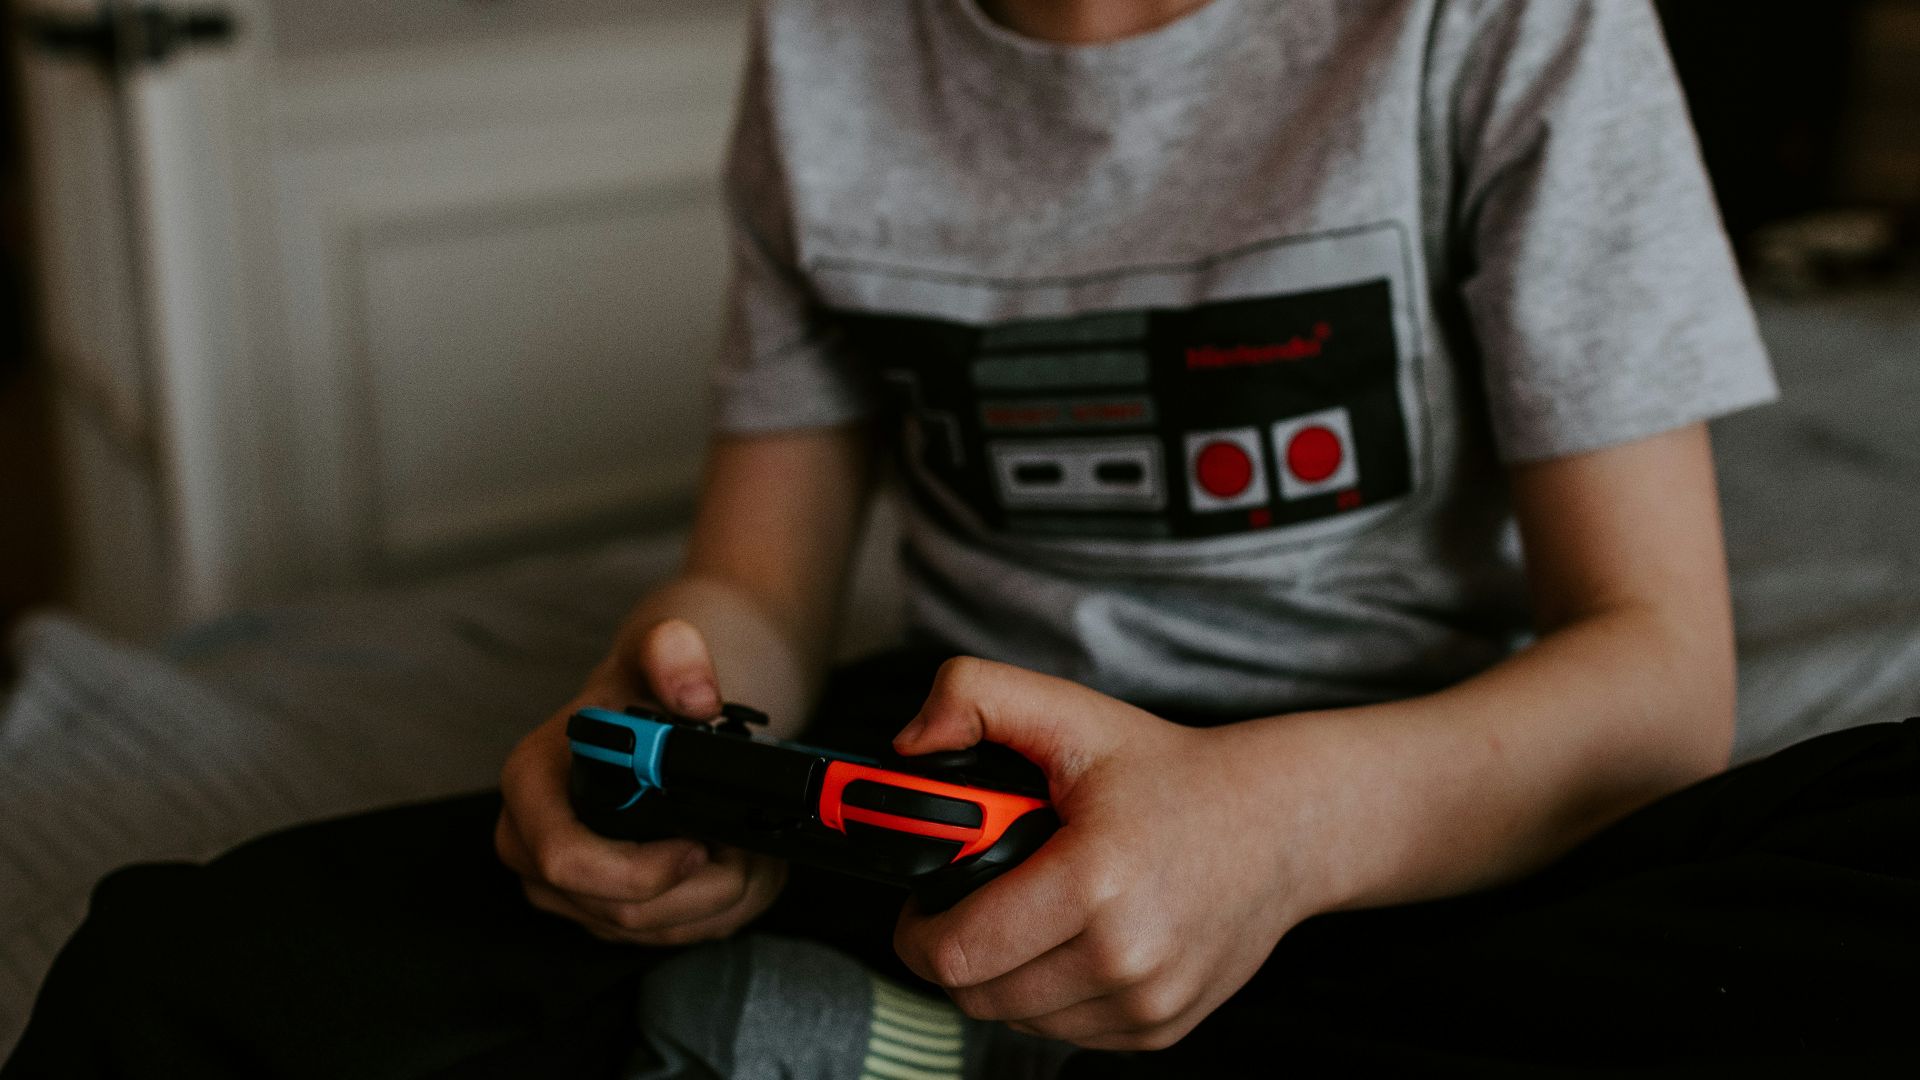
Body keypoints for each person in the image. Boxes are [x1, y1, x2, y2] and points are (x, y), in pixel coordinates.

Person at [12, 1, 1917, 1076]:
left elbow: (1659, 687)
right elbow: (753, 581)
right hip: (944, 804)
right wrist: (667, 719)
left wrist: (1268, 835)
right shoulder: (830, 52)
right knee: (175, 966)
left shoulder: (1514, 29)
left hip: (1410, 825)